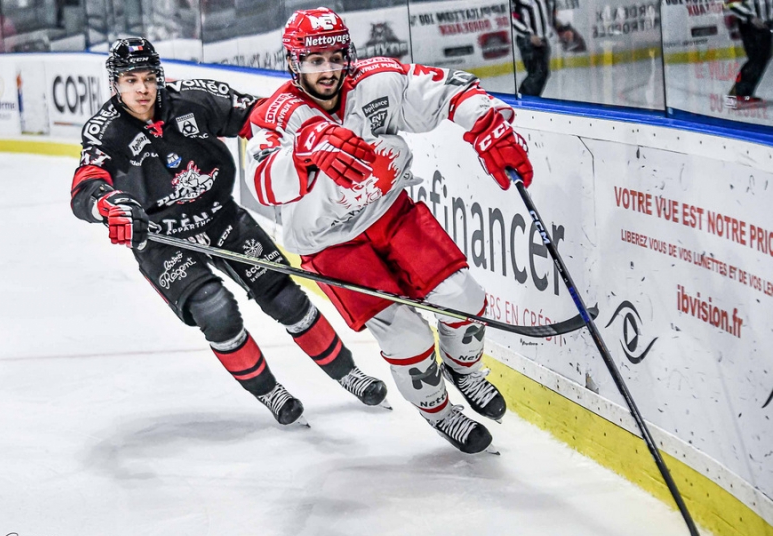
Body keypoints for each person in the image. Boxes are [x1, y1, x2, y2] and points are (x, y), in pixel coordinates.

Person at [244, 8, 534, 454]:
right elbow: (261, 182)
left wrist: (485, 121)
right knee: (407, 336)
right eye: (314, 61)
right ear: (294, 63)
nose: (327, 70)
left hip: (389, 211)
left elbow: (449, 91)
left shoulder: (377, 81)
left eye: (335, 58)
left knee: (465, 297)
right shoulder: (277, 115)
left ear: (349, 54)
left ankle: (465, 372)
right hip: (330, 243)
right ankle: (440, 413)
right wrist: (304, 154)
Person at [69, 37, 388, 426]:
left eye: (149, 78)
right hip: (162, 240)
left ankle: (349, 375)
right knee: (215, 311)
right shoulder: (105, 130)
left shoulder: (195, 99)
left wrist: (305, 138)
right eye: (131, 80)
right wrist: (109, 205)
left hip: (220, 216)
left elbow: (260, 114)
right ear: (115, 84)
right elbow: (86, 183)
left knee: (284, 297)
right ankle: (272, 394)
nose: (141, 89)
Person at [511, 0, 583, 97]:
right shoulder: (521, 2)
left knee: (541, 73)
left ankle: (527, 99)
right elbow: (514, 20)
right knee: (537, 73)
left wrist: (558, 32)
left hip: (542, 40)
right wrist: (529, 35)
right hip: (528, 41)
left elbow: (550, 16)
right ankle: (524, 99)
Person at [725, 0, 771, 108]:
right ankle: (739, 94)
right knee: (757, 59)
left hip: (764, 25)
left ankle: (743, 95)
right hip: (750, 25)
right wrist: (750, 17)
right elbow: (731, 3)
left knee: (760, 59)